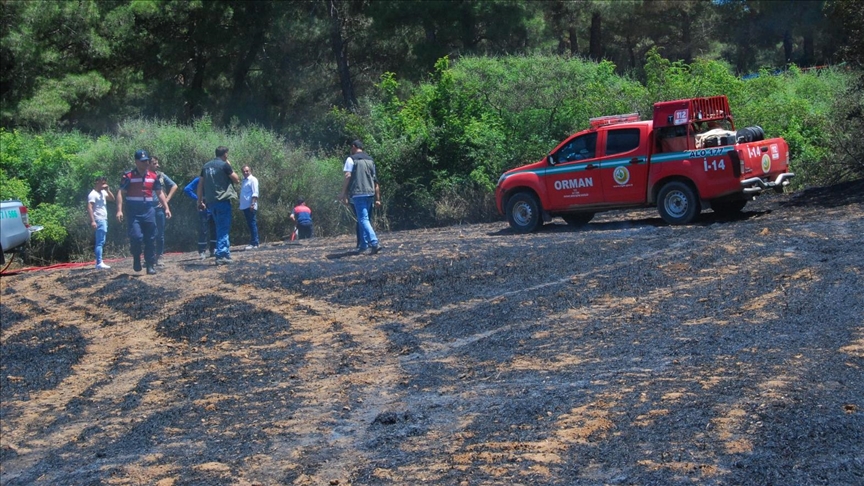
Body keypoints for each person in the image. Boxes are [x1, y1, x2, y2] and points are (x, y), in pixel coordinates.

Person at [116, 149, 171, 275]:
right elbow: (120, 192)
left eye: (147, 160)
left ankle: (150, 265)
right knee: (136, 237)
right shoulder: (128, 176)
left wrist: (166, 207)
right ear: (136, 162)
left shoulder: (153, 176)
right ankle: (136, 257)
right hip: (134, 211)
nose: (146, 163)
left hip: (148, 210)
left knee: (151, 238)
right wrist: (119, 210)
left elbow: (159, 193)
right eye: (143, 161)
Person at [197, 146, 239, 265]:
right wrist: (229, 165)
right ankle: (221, 254)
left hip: (211, 202)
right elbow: (236, 179)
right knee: (223, 228)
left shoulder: (205, 166)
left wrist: (199, 201)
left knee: (219, 227)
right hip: (222, 200)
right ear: (225, 154)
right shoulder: (224, 165)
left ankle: (225, 253)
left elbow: (200, 184)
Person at [340, 140, 382, 254]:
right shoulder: (370, 160)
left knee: (363, 220)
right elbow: (375, 181)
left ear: (354, 147)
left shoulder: (351, 159)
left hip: (358, 193)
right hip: (370, 193)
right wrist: (378, 198)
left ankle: (374, 242)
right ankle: (363, 245)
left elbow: (347, 176)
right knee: (363, 219)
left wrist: (343, 193)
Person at [149, 156, 178, 266]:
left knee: (160, 233)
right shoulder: (143, 176)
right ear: (148, 164)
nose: (158, 165)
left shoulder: (160, 176)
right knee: (149, 233)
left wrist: (166, 200)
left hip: (159, 208)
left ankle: (159, 256)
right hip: (147, 208)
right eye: (155, 163)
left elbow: (174, 186)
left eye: (157, 163)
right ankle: (149, 256)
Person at [184, 177, 216, 259]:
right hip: (203, 206)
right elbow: (187, 189)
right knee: (203, 229)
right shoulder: (200, 179)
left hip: (214, 205)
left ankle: (213, 249)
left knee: (215, 228)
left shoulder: (215, 178)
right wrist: (198, 199)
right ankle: (202, 251)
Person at [88, 175, 115, 269]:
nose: (104, 184)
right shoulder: (93, 194)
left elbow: (112, 199)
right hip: (99, 219)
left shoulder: (103, 192)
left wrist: (108, 190)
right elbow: (89, 208)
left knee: (101, 241)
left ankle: (99, 262)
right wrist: (93, 221)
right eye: (102, 183)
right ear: (97, 182)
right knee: (100, 241)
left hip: (104, 219)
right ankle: (99, 262)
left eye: (105, 183)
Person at [239, 165, 259, 250]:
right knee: (250, 224)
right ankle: (253, 241)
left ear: (250, 171)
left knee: (252, 223)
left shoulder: (253, 180)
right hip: (245, 206)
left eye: (247, 171)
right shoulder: (244, 181)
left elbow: (255, 193)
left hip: (250, 206)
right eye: (244, 171)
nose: (245, 173)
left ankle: (255, 243)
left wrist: (252, 204)